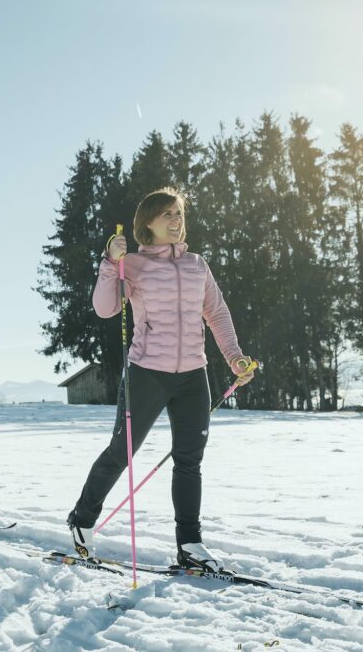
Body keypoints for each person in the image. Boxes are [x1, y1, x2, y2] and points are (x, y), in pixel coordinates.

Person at [67, 188, 255, 573]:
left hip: (192, 374)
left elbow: (217, 313)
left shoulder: (197, 265)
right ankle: (82, 519)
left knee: (190, 460)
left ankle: (190, 544)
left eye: (179, 214)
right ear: (147, 223)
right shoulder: (131, 264)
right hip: (146, 373)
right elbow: (105, 309)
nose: (176, 221)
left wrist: (234, 357)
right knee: (122, 452)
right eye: (167, 214)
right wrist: (109, 263)